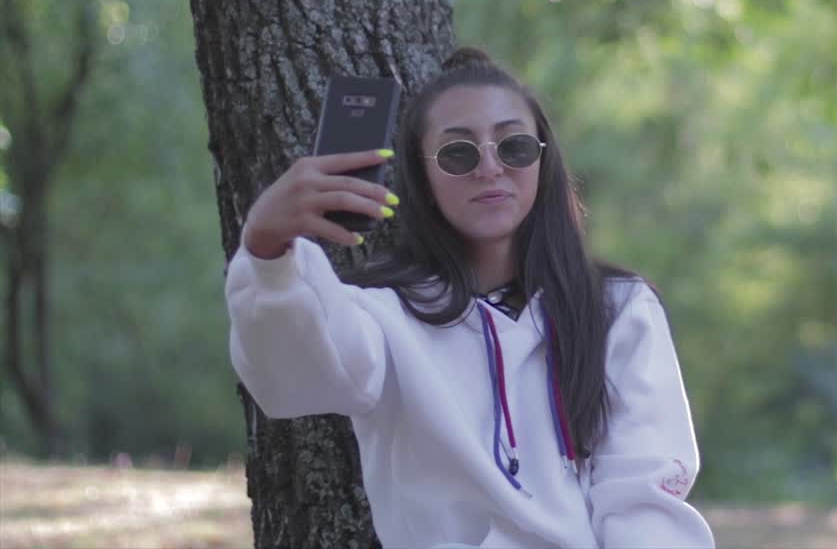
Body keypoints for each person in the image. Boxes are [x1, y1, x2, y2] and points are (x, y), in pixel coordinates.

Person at [226, 47, 715, 548]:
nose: (489, 167)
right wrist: (268, 249)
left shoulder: (618, 310)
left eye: (514, 147)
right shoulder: (381, 316)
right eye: (458, 153)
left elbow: (643, 499)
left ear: (543, 161)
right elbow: (290, 381)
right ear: (424, 179)